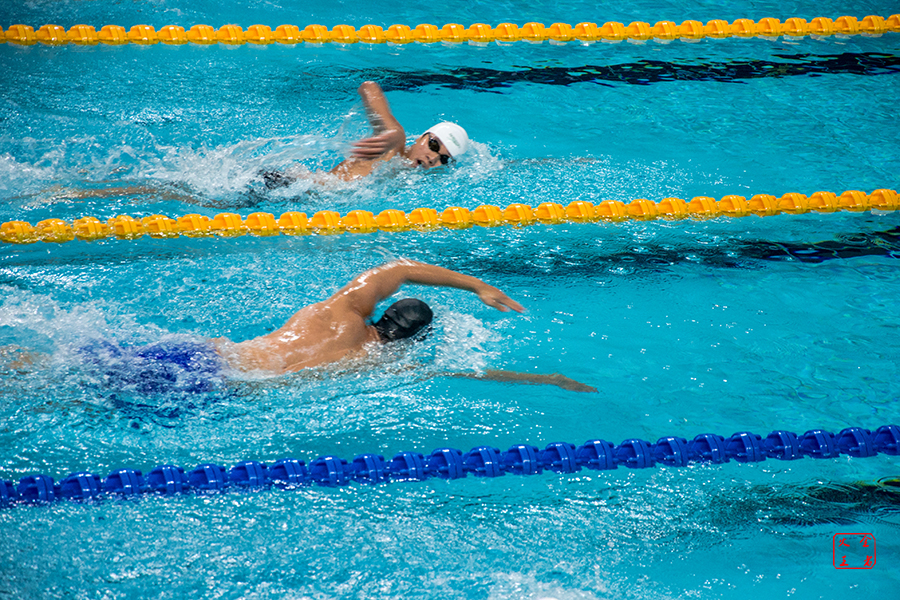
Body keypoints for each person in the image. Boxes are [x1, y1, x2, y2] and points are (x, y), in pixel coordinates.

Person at [1, 260, 596, 394]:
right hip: (222, 384)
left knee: (85, 360)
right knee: (69, 388)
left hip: (208, 350)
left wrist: (476, 285)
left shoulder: (340, 309)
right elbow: (473, 371)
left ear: (384, 313)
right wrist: (546, 378)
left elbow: (399, 268)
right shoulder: (381, 361)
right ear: (407, 337)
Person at [265, 80, 469, 185]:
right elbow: (368, 87)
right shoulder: (393, 147)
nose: (433, 158)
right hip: (283, 184)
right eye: (433, 144)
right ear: (420, 138)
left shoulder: (406, 178)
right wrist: (392, 132)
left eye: (445, 159)